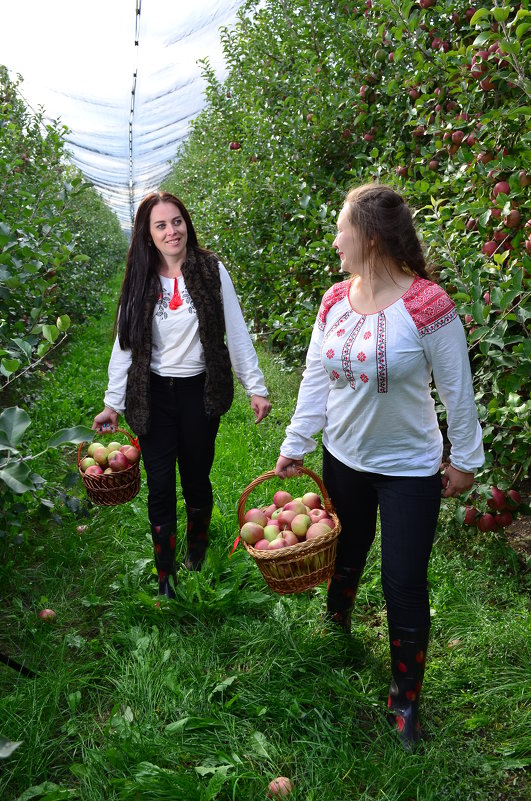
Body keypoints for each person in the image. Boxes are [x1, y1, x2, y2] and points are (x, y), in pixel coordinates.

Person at [275, 183, 484, 749]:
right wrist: (296, 442)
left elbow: (458, 392)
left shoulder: (428, 305)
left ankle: (405, 700)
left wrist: (464, 459)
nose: (335, 239)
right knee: (347, 549)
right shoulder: (334, 299)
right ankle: (336, 623)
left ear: (368, 237)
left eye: (342, 228)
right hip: (343, 456)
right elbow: (316, 379)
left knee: (403, 582)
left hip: (408, 468)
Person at [93, 191, 271, 598]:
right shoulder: (140, 276)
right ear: (148, 234)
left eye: (177, 221)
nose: (172, 231)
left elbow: (236, 332)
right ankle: (164, 576)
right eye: (161, 225)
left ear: (186, 223)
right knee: (159, 484)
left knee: (195, 477)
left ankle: (196, 552)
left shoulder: (211, 270)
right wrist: (112, 402)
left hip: (199, 392)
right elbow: (124, 345)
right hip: (152, 394)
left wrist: (255, 387)